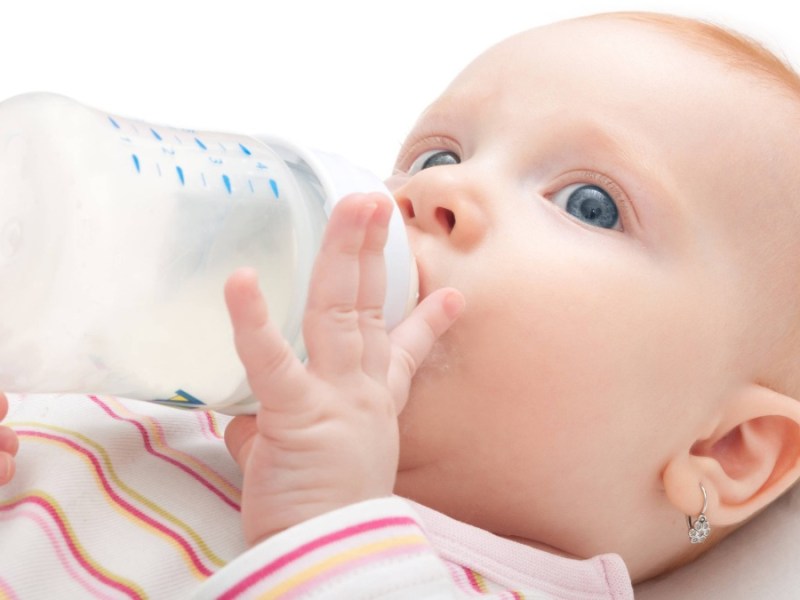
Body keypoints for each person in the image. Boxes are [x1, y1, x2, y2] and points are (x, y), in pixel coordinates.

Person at [4, 10, 800, 598]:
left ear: (725, 453)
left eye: (588, 203)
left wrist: (325, 528)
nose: (438, 190)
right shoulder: (193, 383)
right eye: (438, 153)